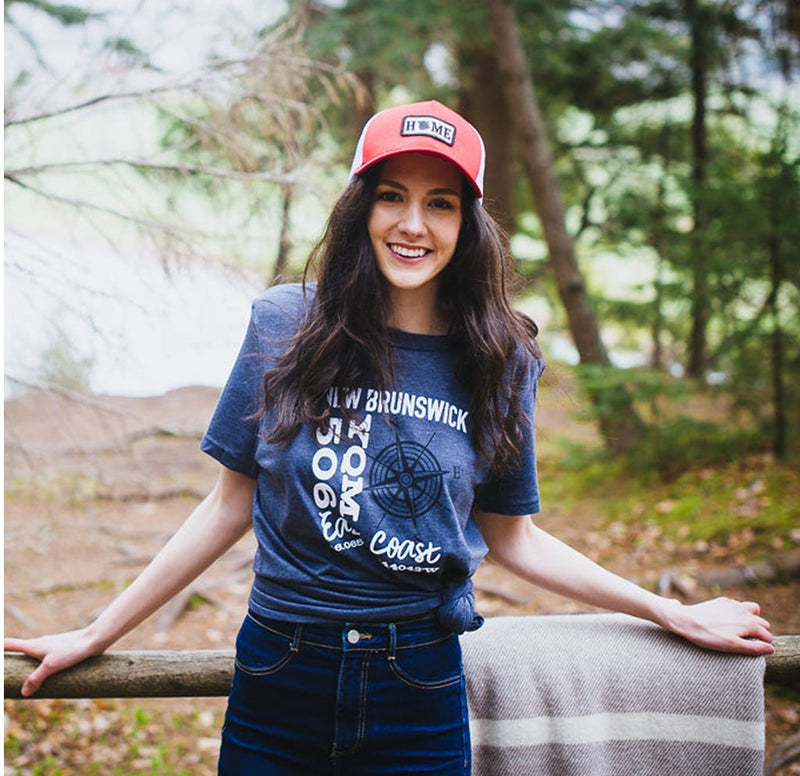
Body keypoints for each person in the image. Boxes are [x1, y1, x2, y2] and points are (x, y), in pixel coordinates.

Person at [5, 99, 774, 775]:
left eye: (440, 203)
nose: (413, 224)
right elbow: (226, 506)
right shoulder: (283, 325)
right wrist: (97, 631)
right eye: (392, 196)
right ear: (360, 208)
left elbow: (516, 539)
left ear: (467, 225)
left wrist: (672, 613)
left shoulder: (500, 359)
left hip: (419, 684)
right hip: (279, 671)